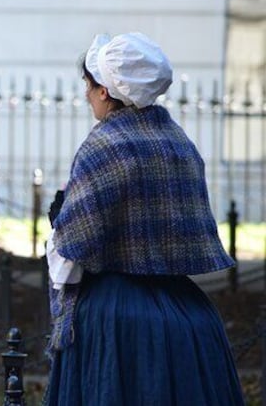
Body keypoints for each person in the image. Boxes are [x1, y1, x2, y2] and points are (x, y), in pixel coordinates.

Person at [45, 33, 244, 405]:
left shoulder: (104, 144)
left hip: (116, 319)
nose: (86, 95)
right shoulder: (179, 143)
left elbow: (71, 247)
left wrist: (59, 234)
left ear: (104, 90)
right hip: (187, 315)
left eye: (88, 86)